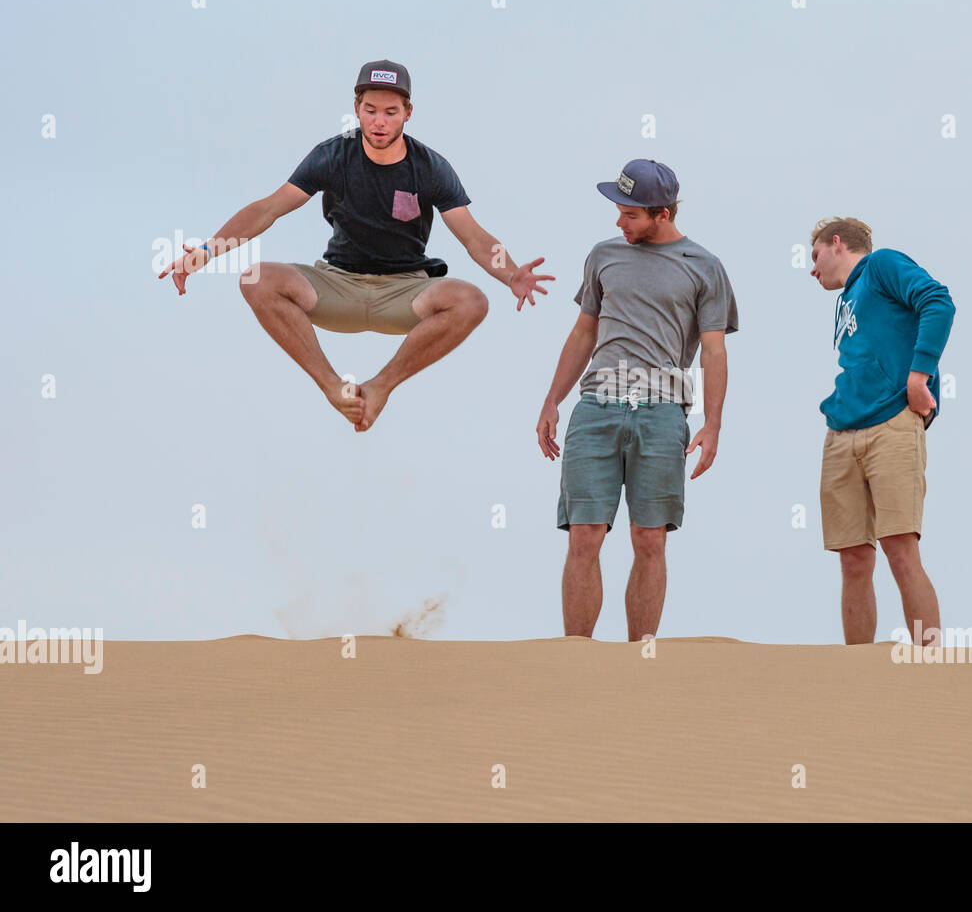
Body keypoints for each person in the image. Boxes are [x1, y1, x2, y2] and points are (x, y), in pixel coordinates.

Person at [159, 59, 553, 432]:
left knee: (472, 300)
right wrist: (205, 253)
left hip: (406, 291)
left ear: (408, 113)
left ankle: (381, 386)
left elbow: (473, 235)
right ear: (356, 108)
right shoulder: (332, 155)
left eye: (391, 112)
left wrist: (510, 271)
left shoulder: (430, 167)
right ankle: (334, 386)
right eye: (370, 110)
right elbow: (268, 208)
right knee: (255, 278)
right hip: (337, 285)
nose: (379, 122)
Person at [536, 159, 738, 641]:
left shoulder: (705, 267)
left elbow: (714, 349)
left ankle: (640, 659)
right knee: (584, 535)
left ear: (661, 214)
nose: (619, 222)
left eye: (630, 214)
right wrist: (551, 401)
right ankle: (576, 654)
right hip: (596, 407)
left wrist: (713, 424)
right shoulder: (603, 255)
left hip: (663, 411)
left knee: (649, 540)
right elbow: (584, 332)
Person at [809, 217, 955, 647]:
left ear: (837, 244)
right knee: (853, 558)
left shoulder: (882, 264)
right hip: (842, 431)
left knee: (899, 547)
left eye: (814, 256)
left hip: (891, 423)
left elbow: (938, 301)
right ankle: (859, 671)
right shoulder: (845, 302)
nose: (812, 269)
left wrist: (918, 377)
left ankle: (929, 664)